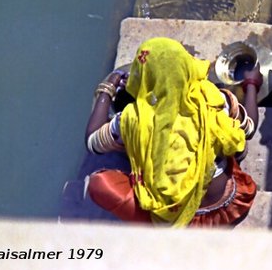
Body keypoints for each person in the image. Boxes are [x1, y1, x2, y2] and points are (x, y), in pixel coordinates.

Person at [84, 37, 262, 227]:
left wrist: (107, 89)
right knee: (233, 140)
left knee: (98, 183)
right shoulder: (213, 99)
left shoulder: (130, 119)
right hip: (225, 206)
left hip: (169, 218)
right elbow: (249, 127)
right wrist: (251, 84)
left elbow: (92, 142)